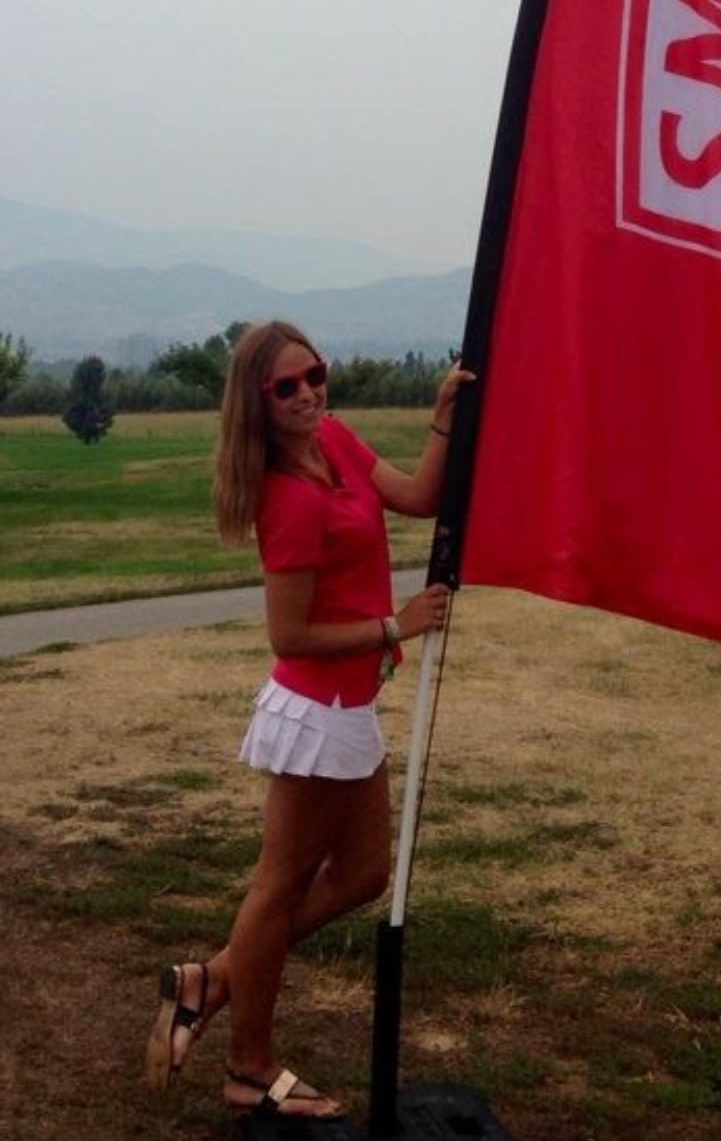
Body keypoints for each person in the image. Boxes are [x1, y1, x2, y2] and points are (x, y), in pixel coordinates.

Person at [144, 320, 472, 1120]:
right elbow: (289, 635)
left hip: (349, 704)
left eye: (313, 375)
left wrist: (441, 418)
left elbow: (420, 497)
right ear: (258, 405)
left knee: (363, 873)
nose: (306, 393)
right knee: (279, 882)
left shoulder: (338, 440)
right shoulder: (285, 499)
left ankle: (211, 979)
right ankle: (248, 1065)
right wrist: (396, 625)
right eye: (284, 387)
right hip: (316, 710)